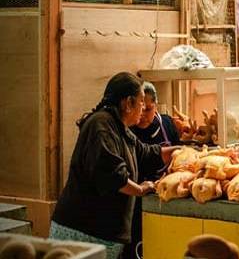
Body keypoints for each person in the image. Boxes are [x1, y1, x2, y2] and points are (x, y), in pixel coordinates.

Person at [50, 72, 179, 259]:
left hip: (104, 234)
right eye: (141, 101)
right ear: (128, 103)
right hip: (83, 232)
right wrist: (141, 189)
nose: (143, 108)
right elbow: (112, 175)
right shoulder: (100, 125)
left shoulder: (120, 127)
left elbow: (146, 153)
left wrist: (182, 151)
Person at [124, 82, 181, 259]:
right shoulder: (127, 131)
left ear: (156, 105)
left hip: (164, 197)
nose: (143, 115)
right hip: (134, 200)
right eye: (141, 107)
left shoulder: (167, 124)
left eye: (148, 109)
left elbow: (176, 158)